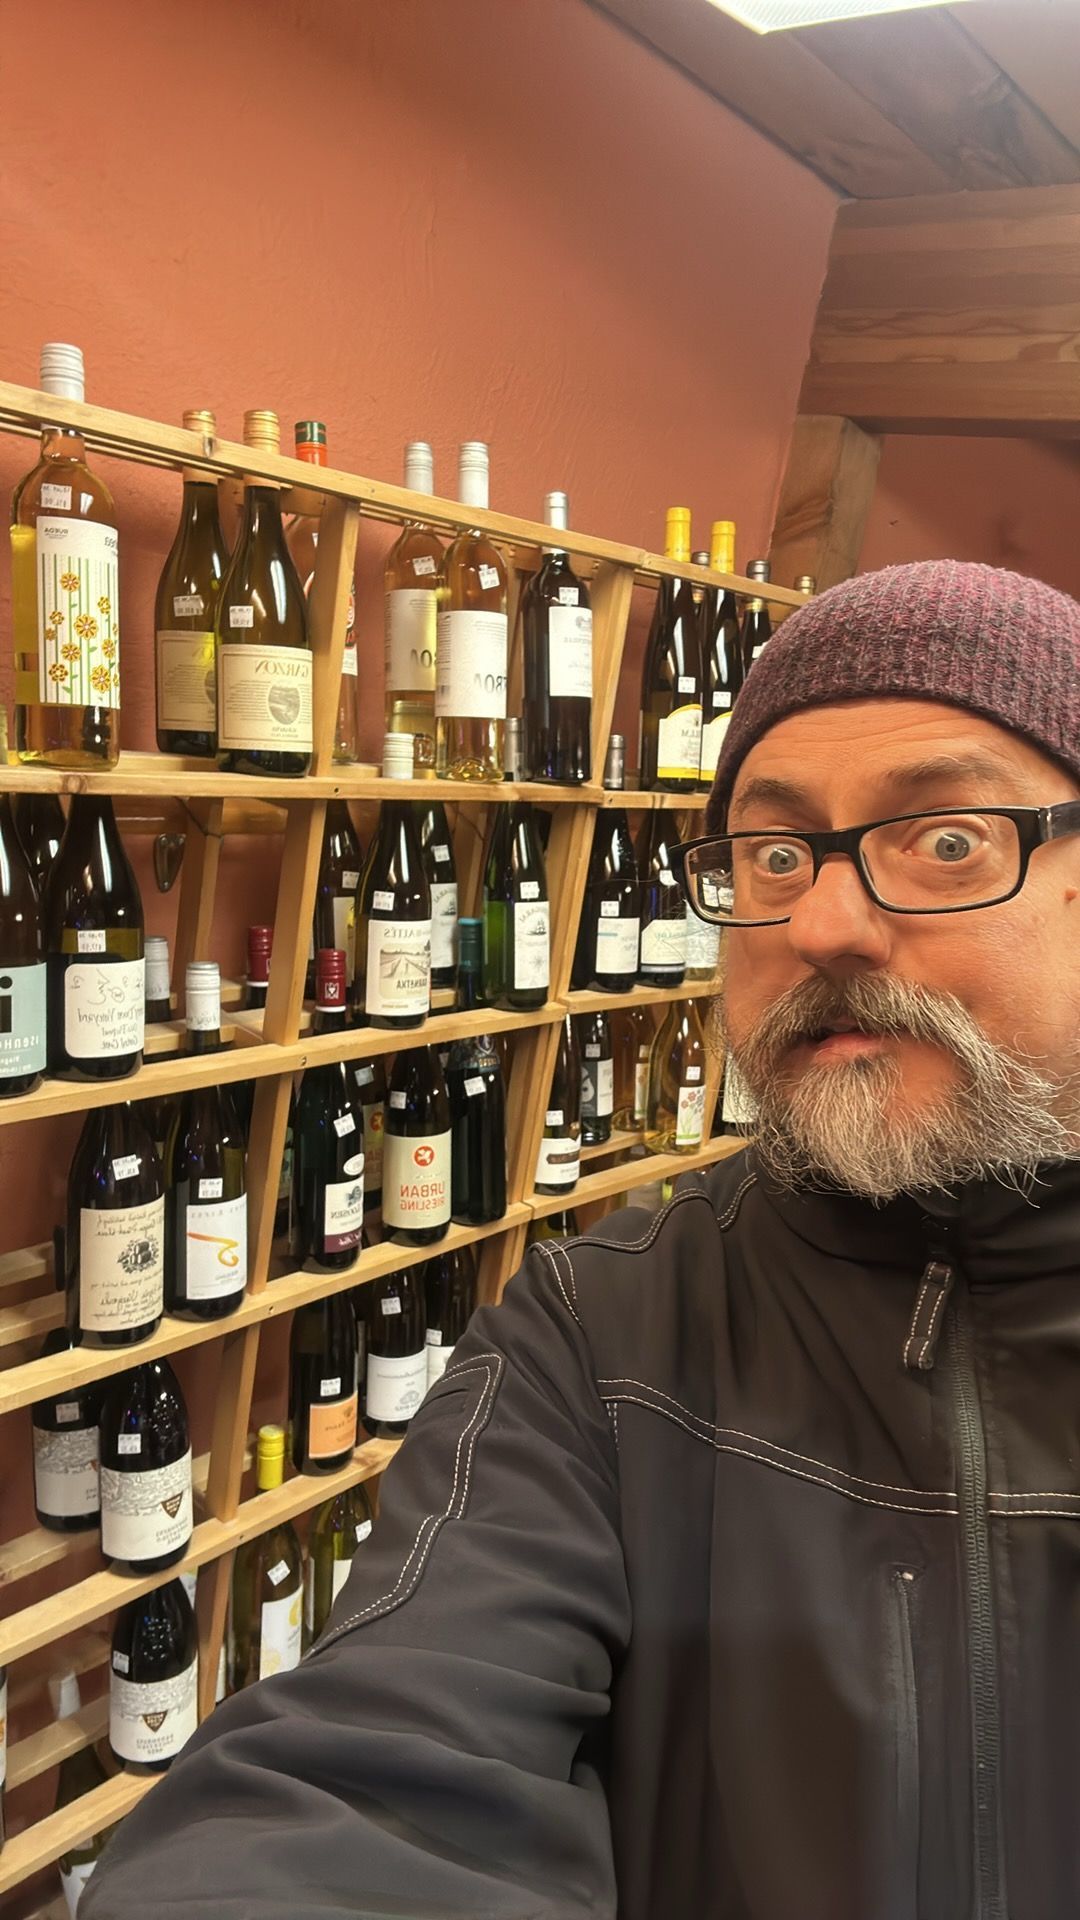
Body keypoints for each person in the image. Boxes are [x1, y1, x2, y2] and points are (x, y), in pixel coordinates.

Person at [83, 559, 1080, 1920]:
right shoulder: (601, 1332)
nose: (823, 921)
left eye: (947, 838)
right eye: (773, 853)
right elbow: (373, 1777)